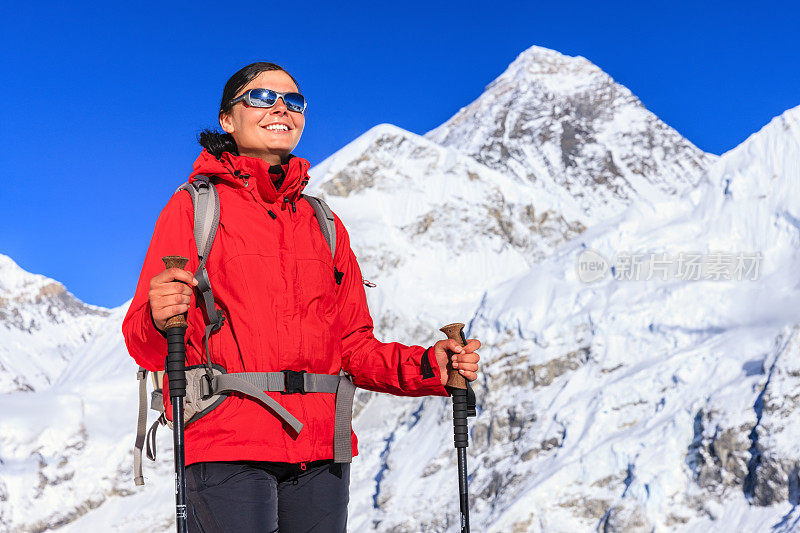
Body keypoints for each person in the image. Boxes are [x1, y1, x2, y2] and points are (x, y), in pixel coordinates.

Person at [122, 62, 481, 533]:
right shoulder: (194, 206)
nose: (280, 108)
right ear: (227, 120)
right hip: (227, 440)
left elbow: (353, 347)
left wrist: (431, 367)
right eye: (261, 97)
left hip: (319, 448)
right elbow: (147, 344)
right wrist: (157, 313)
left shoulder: (323, 225)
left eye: (293, 101)